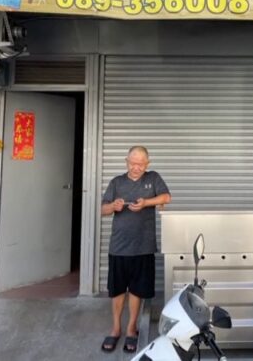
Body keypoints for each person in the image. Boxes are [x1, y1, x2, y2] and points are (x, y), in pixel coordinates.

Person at [100, 146, 171, 354]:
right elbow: (103, 209)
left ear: (147, 163)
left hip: (143, 246)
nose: (136, 167)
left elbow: (166, 197)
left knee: (137, 290)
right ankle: (115, 329)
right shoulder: (116, 182)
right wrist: (113, 206)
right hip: (119, 246)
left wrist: (146, 202)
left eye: (140, 164)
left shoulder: (153, 178)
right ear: (126, 161)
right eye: (132, 163)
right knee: (117, 290)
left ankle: (131, 329)